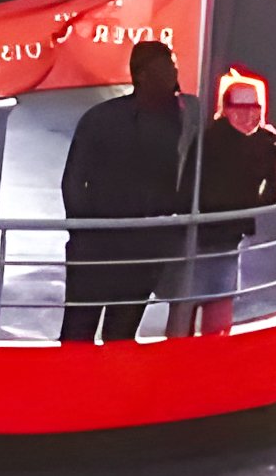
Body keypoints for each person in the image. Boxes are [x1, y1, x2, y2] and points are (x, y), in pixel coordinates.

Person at [59, 35, 194, 344]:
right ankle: (68, 388)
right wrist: (82, 230)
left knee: (121, 335)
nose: (175, 73)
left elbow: (188, 178)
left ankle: (110, 389)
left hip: (144, 249)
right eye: (167, 67)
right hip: (95, 249)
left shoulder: (184, 121)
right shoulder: (101, 119)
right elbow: (73, 180)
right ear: (143, 74)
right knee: (78, 331)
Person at [189, 66, 276, 332]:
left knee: (214, 288)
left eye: (253, 109)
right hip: (207, 225)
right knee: (206, 289)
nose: (248, 116)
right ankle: (206, 338)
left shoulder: (263, 143)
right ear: (227, 109)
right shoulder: (211, 141)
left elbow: (270, 189)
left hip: (227, 228)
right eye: (241, 109)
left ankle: (207, 337)